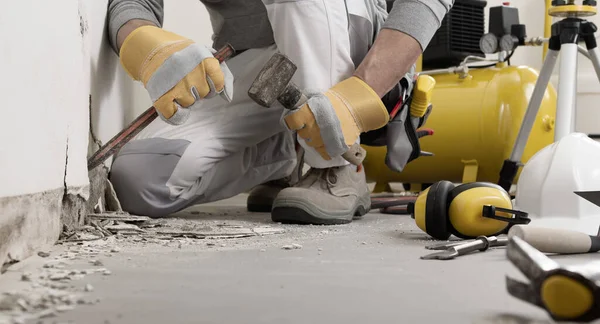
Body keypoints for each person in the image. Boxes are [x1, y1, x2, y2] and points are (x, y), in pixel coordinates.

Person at [106, 0, 452, 224]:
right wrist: (146, 44)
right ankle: (284, 153)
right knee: (141, 179)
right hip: (256, 60)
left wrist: (360, 95)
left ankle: (335, 166)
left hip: (358, 57)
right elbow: (134, 3)